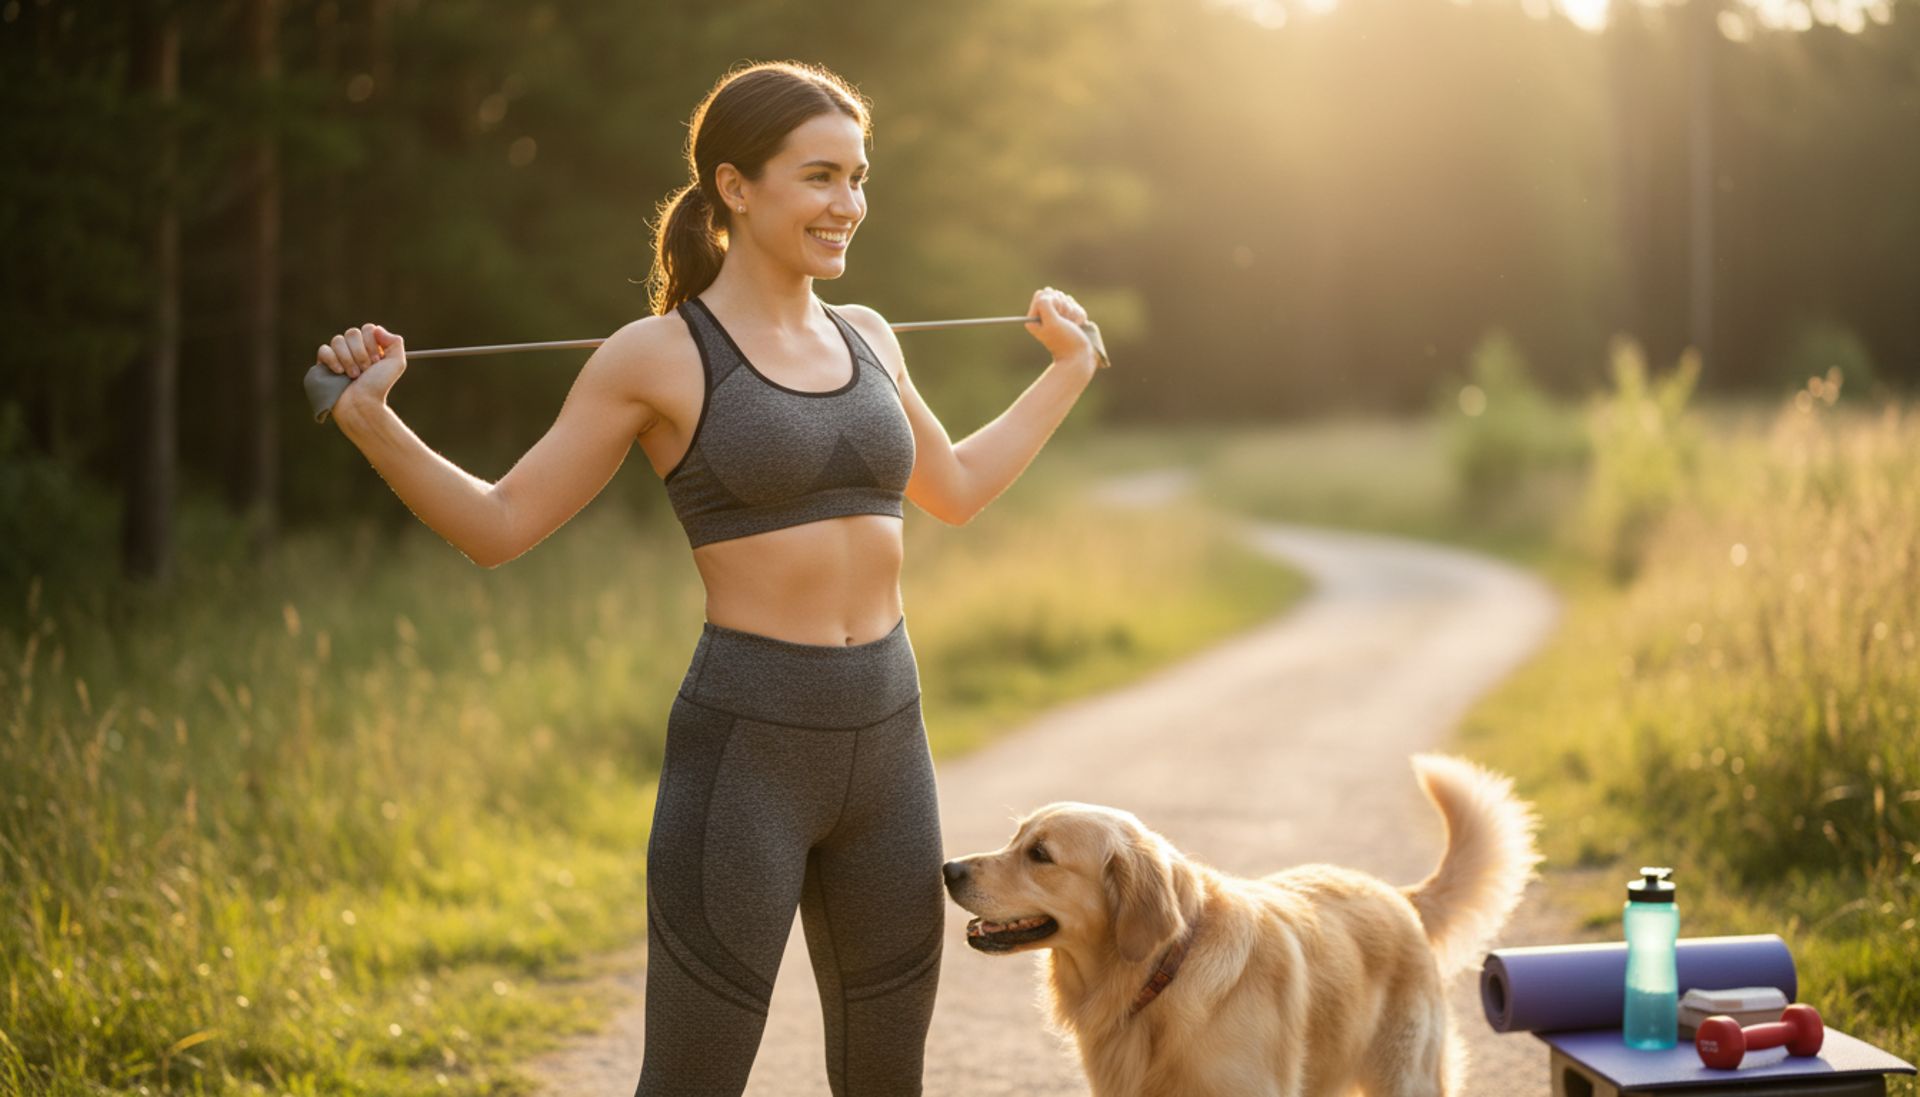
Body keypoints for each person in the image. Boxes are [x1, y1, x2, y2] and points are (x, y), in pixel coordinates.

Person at [315, 59, 1103, 1097]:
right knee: (694, 1077)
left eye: (858, 177)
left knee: (888, 1077)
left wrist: (1067, 371)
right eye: (819, 176)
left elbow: (951, 487)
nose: (848, 203)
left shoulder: (869, 335)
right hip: (746, 756)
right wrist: (371, 422)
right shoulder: (656, 355)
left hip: (889, 737)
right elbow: (500, 525)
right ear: (735, 186)